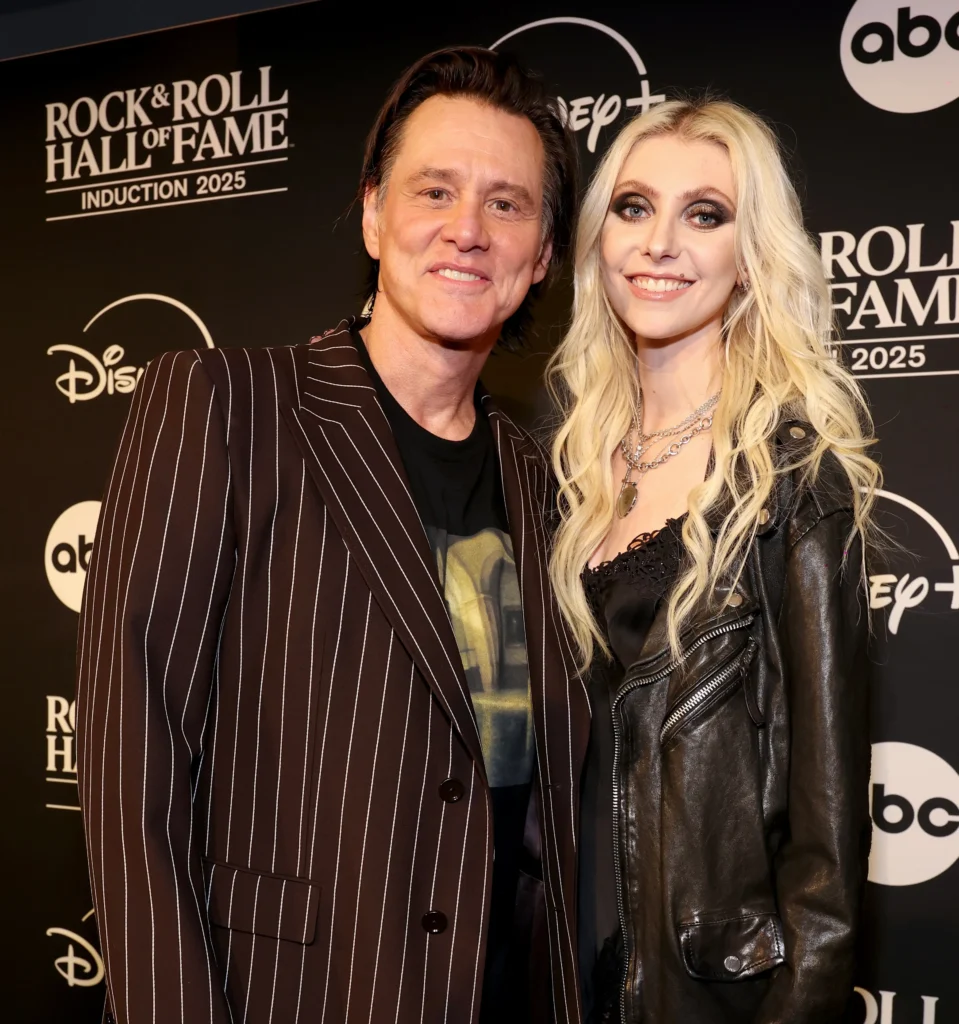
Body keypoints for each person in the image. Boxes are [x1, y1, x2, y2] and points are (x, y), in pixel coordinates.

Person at [76, 47, 588, 1024]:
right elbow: (130, 764)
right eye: (433, 190)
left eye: (506, 204)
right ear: (372, 215)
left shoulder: (545, 483)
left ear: (541, 258)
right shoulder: (223, 405)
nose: (467, 229)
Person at [547, 98, 879, 1023]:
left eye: (705, 214)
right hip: (556, 965)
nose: (659, 243)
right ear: (598, 238)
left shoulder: (790, 484)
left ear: (750, 257)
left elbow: (826, 847)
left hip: (698, 989)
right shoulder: (565, 472)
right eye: (632, 207)